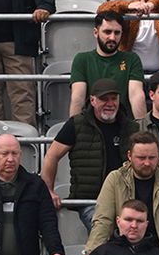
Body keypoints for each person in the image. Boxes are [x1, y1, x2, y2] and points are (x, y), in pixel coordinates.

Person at [43, 77, 130, 215]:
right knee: (104, 227)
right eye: (104, 99)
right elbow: (51, 156)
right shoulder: (76, 124)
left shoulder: (130, 127)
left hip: (126, 201)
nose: (110, 104)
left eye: (114, 98)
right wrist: (48, 191)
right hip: (90, 202)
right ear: (92, 100)